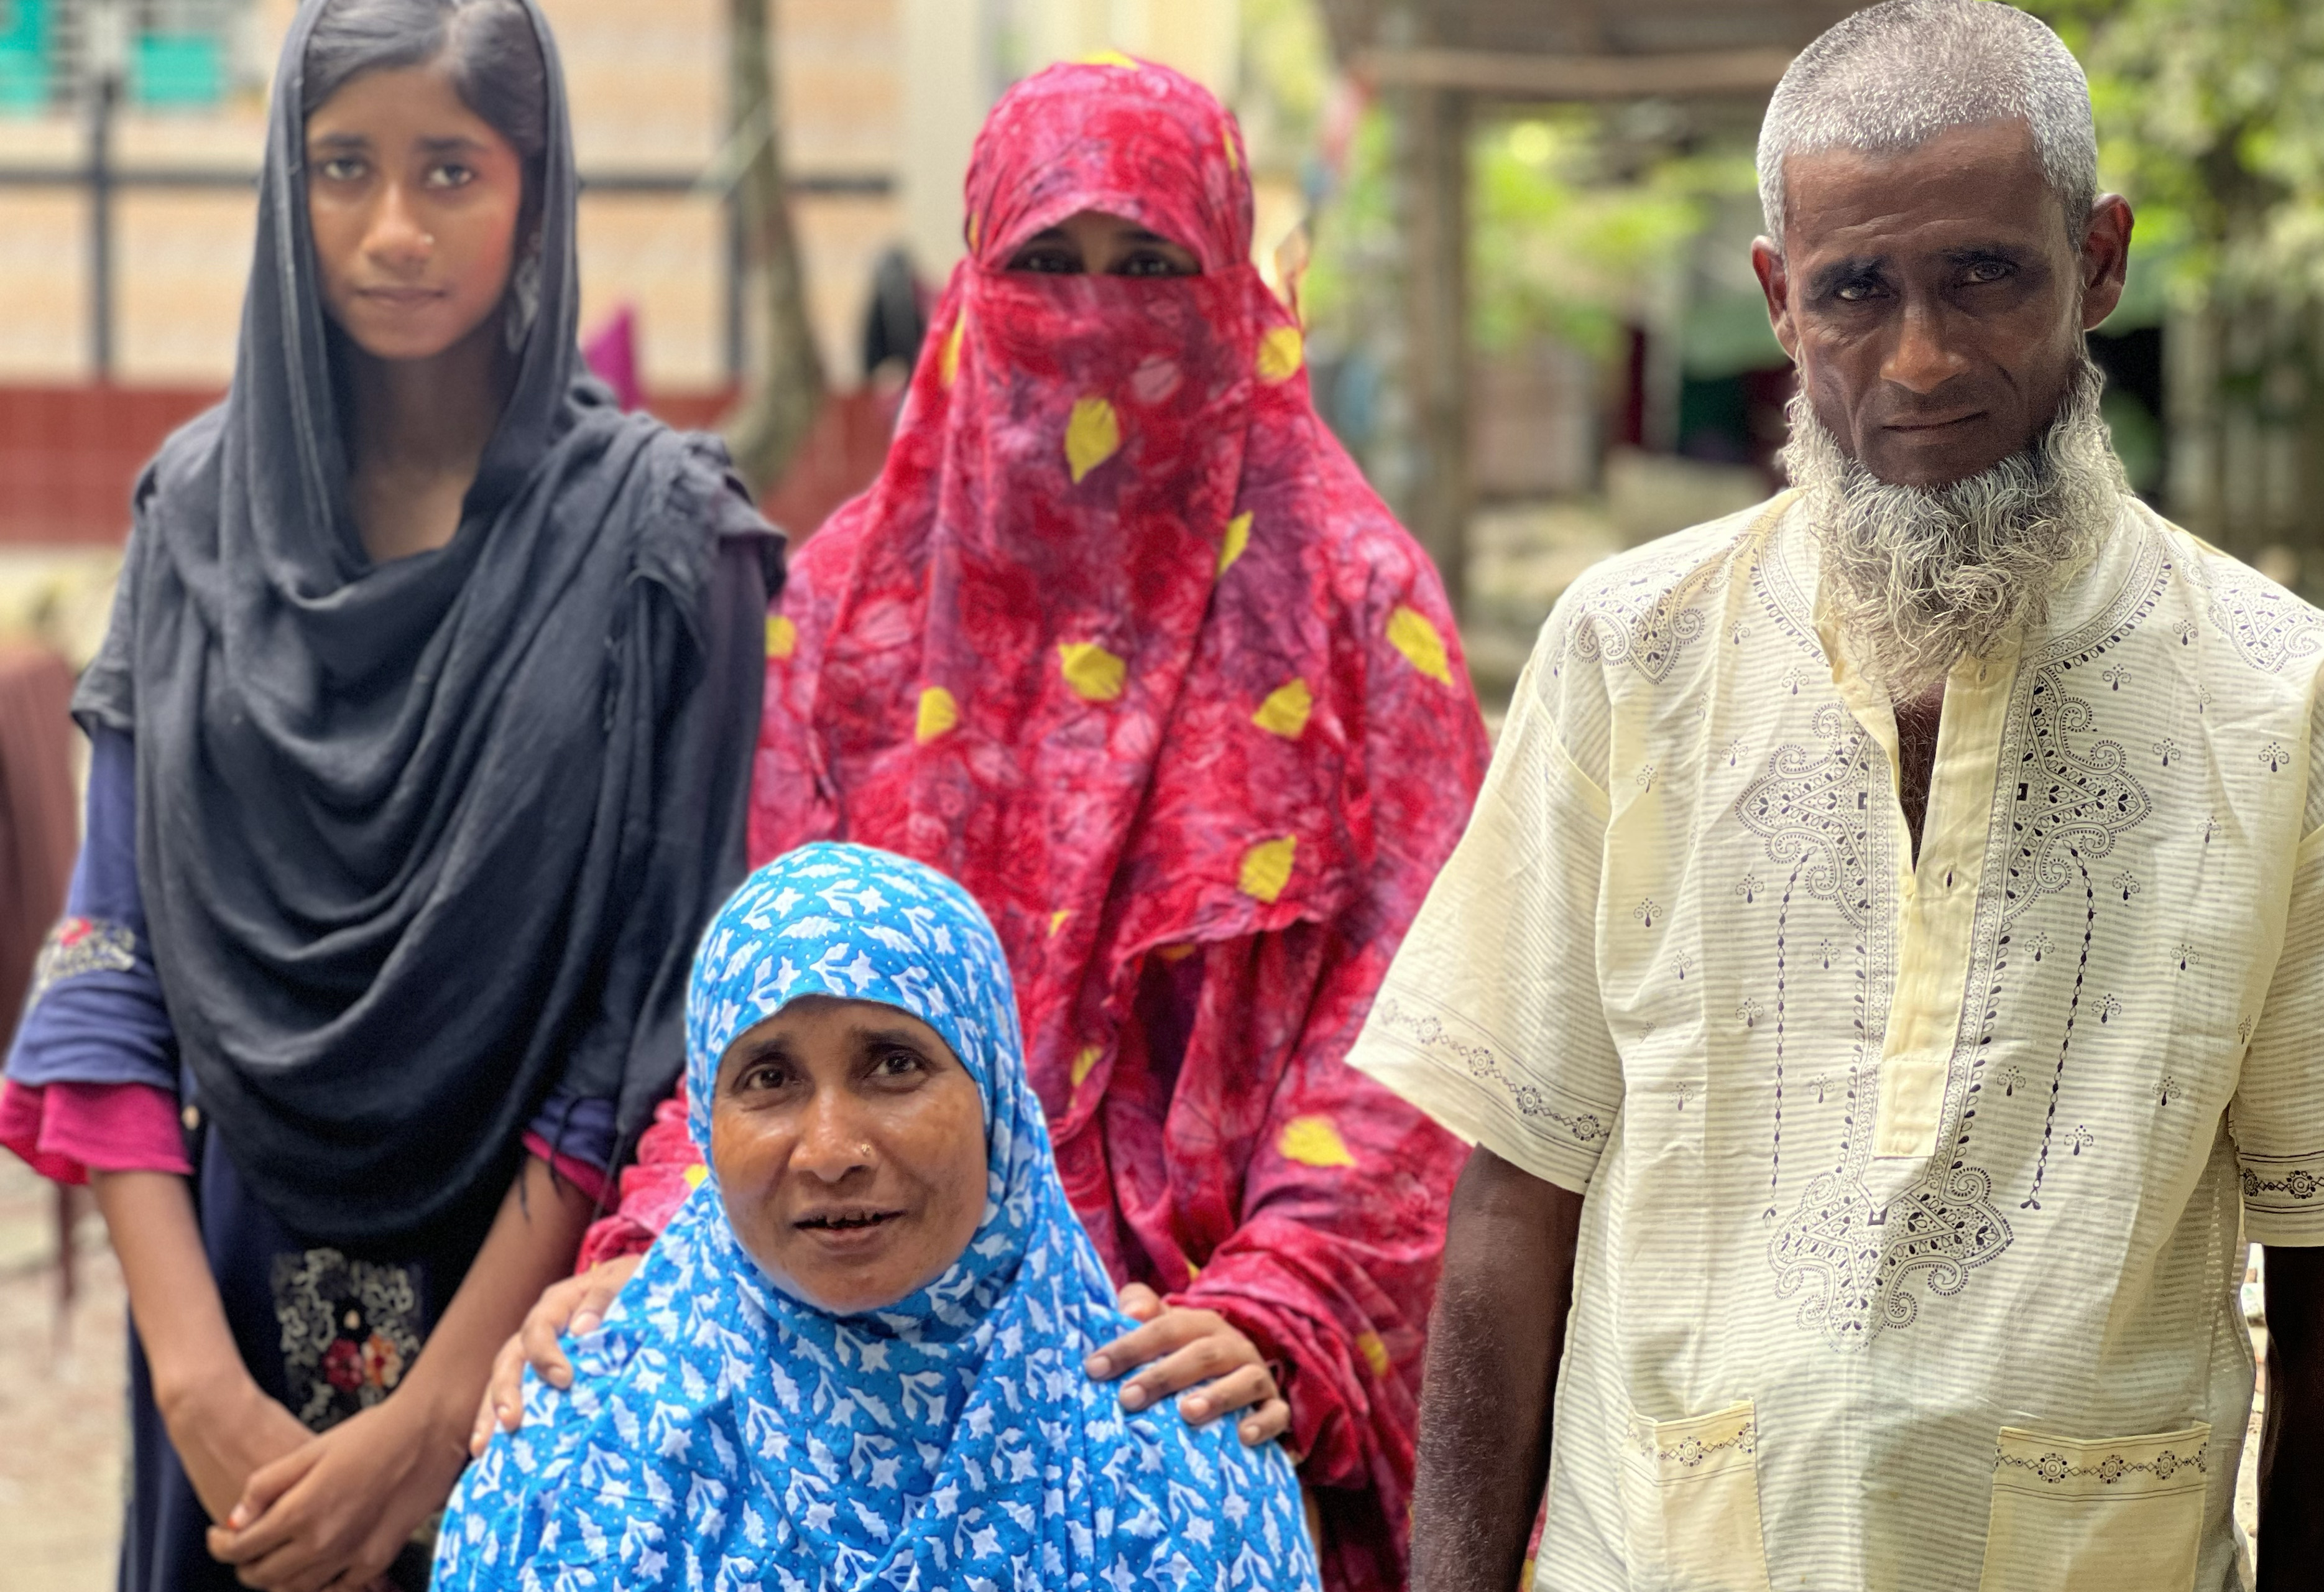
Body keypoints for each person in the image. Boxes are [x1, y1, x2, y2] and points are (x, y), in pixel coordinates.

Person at [1349, 3, 2324, 1588]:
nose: (1921, 358)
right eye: (1856, 291)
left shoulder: (2302, 703)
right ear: (1779, 299)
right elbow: (1518, 1184)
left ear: (2097, 263)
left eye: (1986, 274)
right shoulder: (1633, 651)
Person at [479, 55, 1487, 1591]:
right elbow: (762, 1002)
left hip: (1192, 1391)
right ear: (972, 281)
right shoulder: (852, 604)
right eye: (1046, 265)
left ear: (1230, 287)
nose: (1095, 316)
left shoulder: (1356, 602)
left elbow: (1426, 1025)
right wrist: (644, 1259)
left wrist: (1283, 1303)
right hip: (837, 1328)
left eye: (1148, 265)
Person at [0, 1, 778, 1587]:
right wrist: (196, 1379)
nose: (394, 229)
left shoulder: (660, 549)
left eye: (451, 171)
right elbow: (109, 959)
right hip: (221, 1313)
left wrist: (437, 1420)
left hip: (538, 1351)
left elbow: (643, 1026)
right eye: (343, 167)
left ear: (536, 187)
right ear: (287, 188)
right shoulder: (193, 521)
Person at [436, 842, 1321, 1591]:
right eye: (769, 1079)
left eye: (894, 1064)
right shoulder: (569, 1456)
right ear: (709, 1120)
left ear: (998, 1107)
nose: (829, 1152)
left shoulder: (1179, 1476)